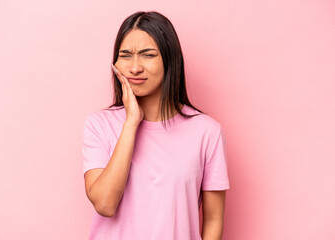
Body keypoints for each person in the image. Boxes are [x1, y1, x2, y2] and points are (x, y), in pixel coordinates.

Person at [82, 11, 230, 240]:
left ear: (170, 59)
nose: (134, 68)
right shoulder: (99, 124)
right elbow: (105, 204)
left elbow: (213, 219)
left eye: (147, 55)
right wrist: (131, 122)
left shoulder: (206, 131)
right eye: (125, 55)